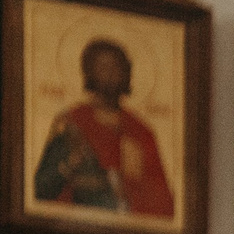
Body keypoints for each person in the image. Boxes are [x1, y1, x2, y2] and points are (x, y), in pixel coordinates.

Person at [32, 36, 176, 217]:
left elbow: (165, 207)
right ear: (89, 72)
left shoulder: (141, 132)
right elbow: (40, 189)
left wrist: (135, 180)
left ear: (127, 73)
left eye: (117, 67)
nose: (110, 74)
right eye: (103, 67)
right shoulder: (71, 121)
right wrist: (69, 166)